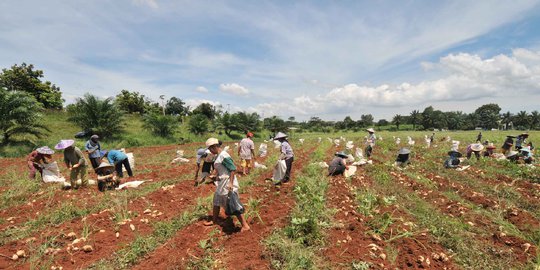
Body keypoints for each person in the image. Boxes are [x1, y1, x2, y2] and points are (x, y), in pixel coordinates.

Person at [203, 137, 250, 232]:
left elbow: (233, 169)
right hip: (221, 182)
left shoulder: (224, 155)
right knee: (216, 201)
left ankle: (245, 225)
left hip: (227, 183)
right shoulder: (218, 155)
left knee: (233, 203)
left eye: (210, 149)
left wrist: (231, 183)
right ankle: (215, 220)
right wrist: (213, 175)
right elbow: (219, 167)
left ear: (215, 146)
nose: (210, 151)